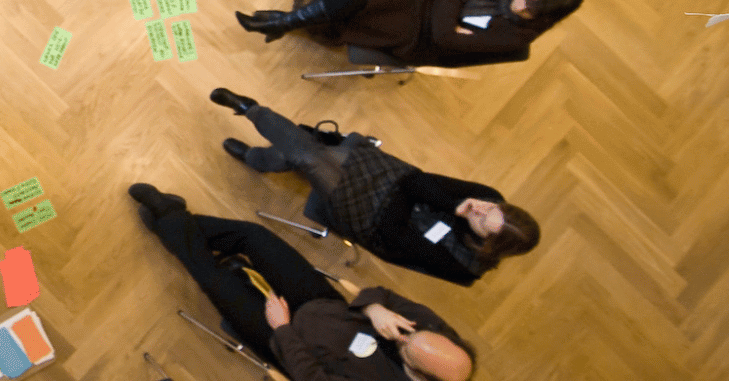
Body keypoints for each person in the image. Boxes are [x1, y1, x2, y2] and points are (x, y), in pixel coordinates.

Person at [128, 185, 477, 381]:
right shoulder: (437, 337)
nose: (402, 337)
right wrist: (375, 310)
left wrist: (282, 328)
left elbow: (310, 379)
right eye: (411, 336)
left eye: (406, 349)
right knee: (255, 237)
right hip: (322, 305)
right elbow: (384, 295)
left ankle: (169, 217)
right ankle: (171, 221)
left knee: (214, 279)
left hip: (287, 342)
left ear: (419, 375)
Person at [207, 87, 540, 286]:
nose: (481, 208)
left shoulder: (464, 265)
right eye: (492, 209)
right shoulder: (487, 198)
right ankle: (255, 150)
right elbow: (418, 180)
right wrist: (454, 206)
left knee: (310, 156)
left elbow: (396, 238)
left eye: (483, 220)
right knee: (311, 157)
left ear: (487, 244)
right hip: (389, 177)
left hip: (369, 219)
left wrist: (410, 196)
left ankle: (252, 113)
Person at [235, 0, 584, 63]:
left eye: (530, 10)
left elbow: (443, 38)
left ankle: (282, 23)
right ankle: (283, 22)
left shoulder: (517, 38)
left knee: (365, 15)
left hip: (419, 39)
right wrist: (454, 3)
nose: (522, 5)